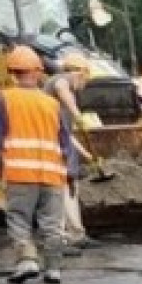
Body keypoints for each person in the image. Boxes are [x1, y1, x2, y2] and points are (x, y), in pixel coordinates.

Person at [0, 45, 76, 284]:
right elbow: (65, 142)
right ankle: (53, 268)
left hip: (21, 174)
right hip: (52, 174)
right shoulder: (52, 104)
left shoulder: (6, 99)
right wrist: (71, 173)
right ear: (38, 72)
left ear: (13, 72)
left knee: (19, 218)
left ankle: (27, 261)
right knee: (52, 223)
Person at [45, 52, 97, 251]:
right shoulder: (60, 81)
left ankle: (77, 235)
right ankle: (60, 240)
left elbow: (68, 133)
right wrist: (78, 115)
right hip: (53, 148)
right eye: (85, 80)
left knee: (70, 190)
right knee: (58, 194)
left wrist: (87, 155)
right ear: (79, 73)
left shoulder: (65, 99)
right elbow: (61, 86)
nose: (84, 85)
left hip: (64, 146)